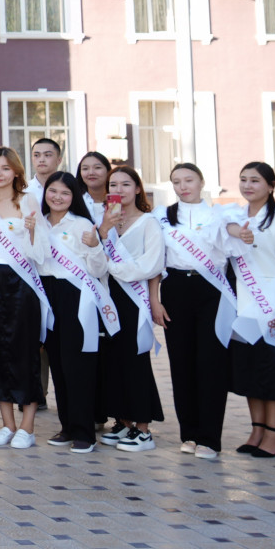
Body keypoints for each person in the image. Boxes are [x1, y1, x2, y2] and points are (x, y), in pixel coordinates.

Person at [160, 162, 239, 459]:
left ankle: (209, 438)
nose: (183, 186)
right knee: (181, 362)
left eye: (188, 180)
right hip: (176, 288)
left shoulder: (220, 213)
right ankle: (189, 433)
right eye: (177, 181)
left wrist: (239, 233)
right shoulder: (164, 216)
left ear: (201, 181)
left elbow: (232, 231)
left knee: (211, 362)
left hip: (212, 290)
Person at [0, 146, 45, 449]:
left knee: (24, 350)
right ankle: (7, 424)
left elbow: (41, 252)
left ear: (16, 171)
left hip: (22, 282)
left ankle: (27, 425)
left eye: (5, 168)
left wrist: (31, 233)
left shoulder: (28, 201)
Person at [226, 161, 275, 459]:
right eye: (243, 179)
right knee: (250, 372)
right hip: (244, 308)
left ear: (271, 186)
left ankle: (274, 433)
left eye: (255, 180)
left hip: (272, 305)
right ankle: (256, 429)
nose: (248, 186)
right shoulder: (236, 217)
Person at [37, 171, 110, 454]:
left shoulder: (82, 225)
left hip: (76, 297)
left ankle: (85, 432)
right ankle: (67, 426)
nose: (57, 197)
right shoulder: (38, 223)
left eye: (65, 193)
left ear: (74, 197)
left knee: (77, 365)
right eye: (53, 191)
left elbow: (98, 270)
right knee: (56, 362)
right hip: (47, 294)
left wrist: (94, 248)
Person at [95, 166, 164, 451]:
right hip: (107, 300)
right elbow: (91, 259)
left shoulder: (149, 222)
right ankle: (123, 421)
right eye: (113, 184)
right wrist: (104, 230)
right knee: (112, 361)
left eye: (126, 184)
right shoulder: (105, 222)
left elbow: (152, 265)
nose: (119, 190)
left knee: (135, 361)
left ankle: (143, 428)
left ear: (138, 188)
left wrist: (112, 267)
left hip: (135, 300)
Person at [24, 137, 63, 202]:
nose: (41, 160)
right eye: (36, 155)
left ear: (59, 160)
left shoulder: (68, 188)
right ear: (32, 159)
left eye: (47, 155)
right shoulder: (23, 190)